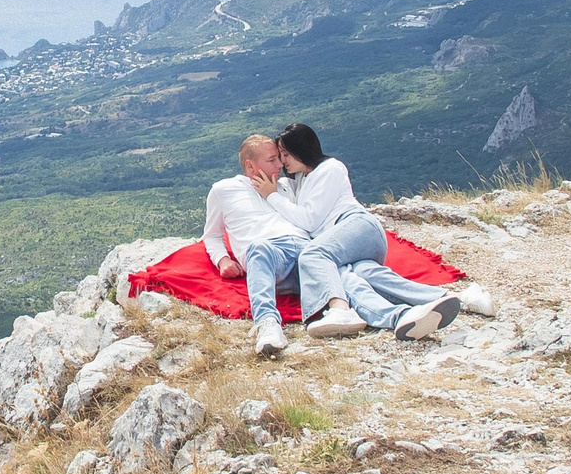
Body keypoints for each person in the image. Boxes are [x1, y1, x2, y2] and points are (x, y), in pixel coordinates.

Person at [259, 121, 492, 340]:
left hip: (356, 227)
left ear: (301, 149)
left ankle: (339, 310)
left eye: (286, 154)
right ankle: (436, 305)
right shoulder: (301, 179)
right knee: (357, 277)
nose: (283, 161)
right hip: (339, 246)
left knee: (312, 255)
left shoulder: (331, 169)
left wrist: (271, 196)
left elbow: (309, 221)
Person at [202, 135, 306, 359]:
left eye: (279, 158)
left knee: (348, 266)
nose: (280, 165)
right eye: (272, 160)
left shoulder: (289, 185)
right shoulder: (224, 190)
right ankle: (267, 324)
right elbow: (212, 235)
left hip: (305, 248)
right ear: (250, 166)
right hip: (270, 256)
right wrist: (223, 260)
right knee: (258, 248)